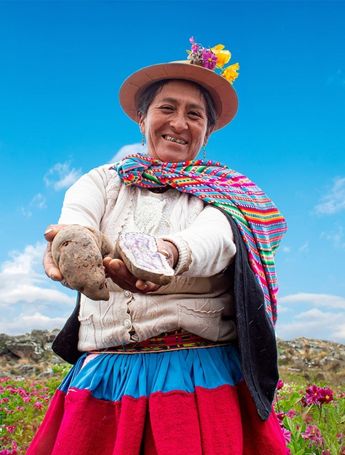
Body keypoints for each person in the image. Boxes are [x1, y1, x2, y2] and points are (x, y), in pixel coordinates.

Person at [28, 38, 288, 455]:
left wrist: (165, 253)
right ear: (142, 117)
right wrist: (72, 242)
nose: (179, 123)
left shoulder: (230, 194)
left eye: (195, 114)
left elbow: (215, 240)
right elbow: (78, 214)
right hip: (105, 377)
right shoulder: (103, 181)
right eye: (167, 108)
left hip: (195, 376)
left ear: (209, 128)